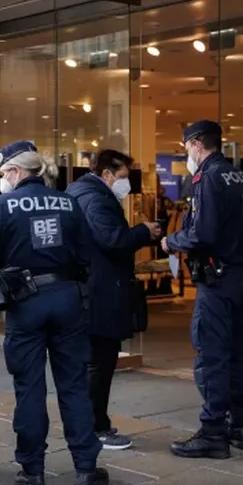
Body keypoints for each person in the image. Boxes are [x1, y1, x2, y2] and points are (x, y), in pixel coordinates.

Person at [0, 140, 107, 485]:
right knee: (74, 386)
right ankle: (85, 469)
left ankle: (32, 471)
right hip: (67, 299)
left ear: (17, 171)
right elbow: (85, 254)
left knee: (29, 389)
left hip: (25, 303)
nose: (2, 179)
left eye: (4, 173)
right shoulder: (68, 202)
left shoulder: (2, 206)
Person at [160, 121, 243, 459]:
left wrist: (169, 241)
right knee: (238, 352)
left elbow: (201, 234)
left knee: (212, 354)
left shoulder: (206, 178)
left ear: (195, 144)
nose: (186, 153)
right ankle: (240, 425)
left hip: (218, 279)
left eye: (185, 146)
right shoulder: (239, 177)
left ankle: (213, 430)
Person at [66, 150, 161, 451]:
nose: (126, 183)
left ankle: (91, 423)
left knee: (96, 361)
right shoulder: (96, 199)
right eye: (123, 176)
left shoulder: (81, 192)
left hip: (92, 288)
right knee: (100, 362)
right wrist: (144, 232)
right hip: (100, 291)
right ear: (107, 173)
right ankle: (95, 428)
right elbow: (113, 240)